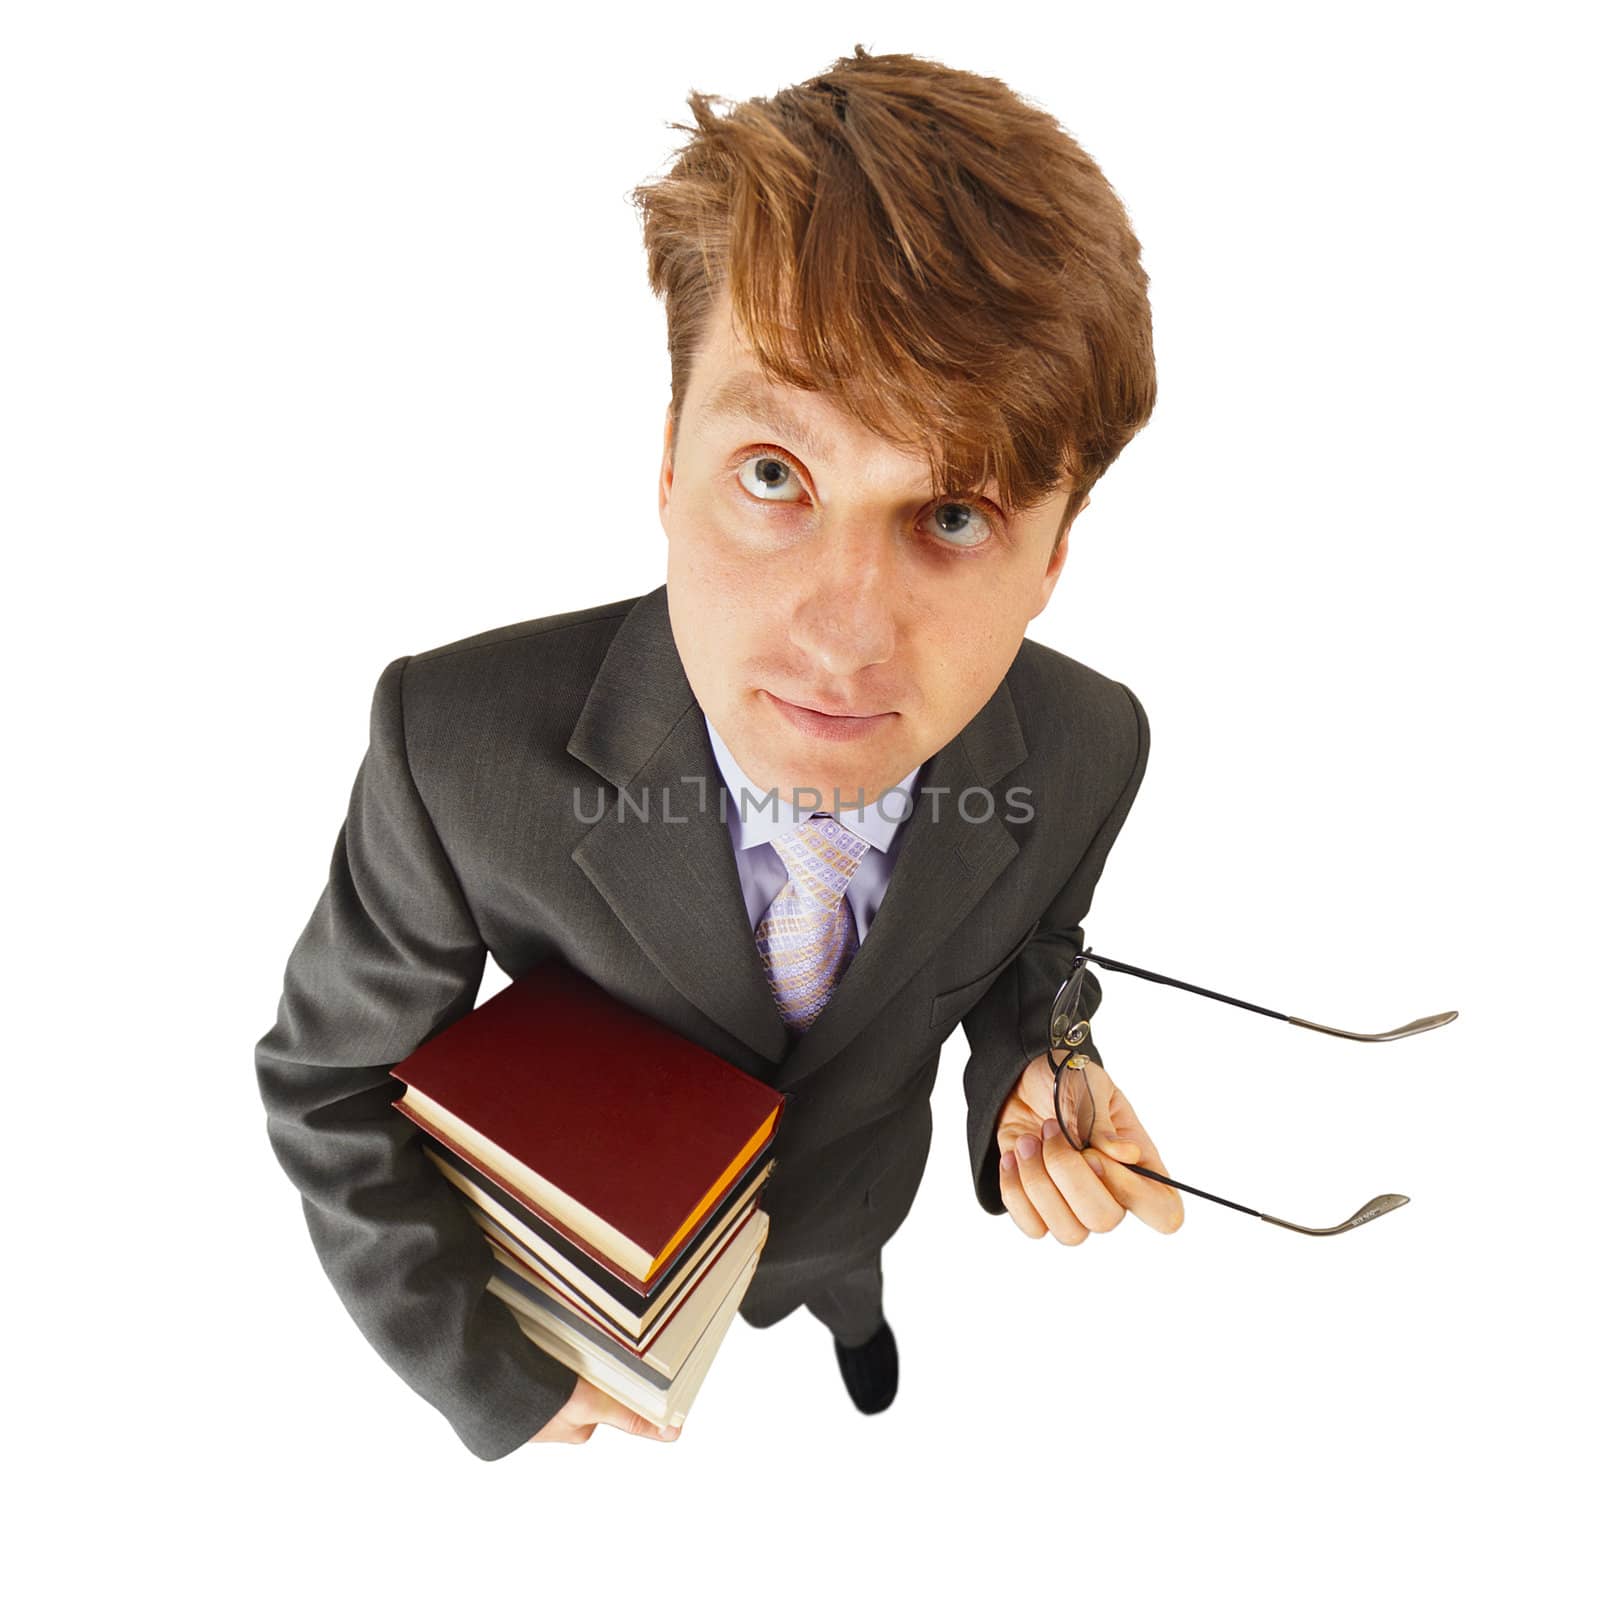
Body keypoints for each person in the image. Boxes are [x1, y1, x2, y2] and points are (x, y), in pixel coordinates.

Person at [254, 44, 1183, 1462]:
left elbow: (1030, 945)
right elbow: (328, 1085)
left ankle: (858, 1340)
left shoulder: (1090, 743)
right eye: (775, 477)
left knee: (846, 1302)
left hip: (859, 1206)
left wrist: (1036, 1067)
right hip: (604, 1264)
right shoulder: (449, 748)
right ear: (672, 463)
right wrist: (487, 1374)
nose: (842, 635)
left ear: (1052, 557)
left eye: (950, 517)